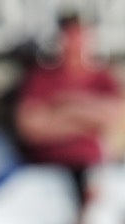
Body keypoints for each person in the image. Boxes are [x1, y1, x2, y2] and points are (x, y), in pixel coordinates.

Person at [13, 12, 122, 204]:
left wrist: (66, 107)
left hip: (92, 166)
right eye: (69, 37)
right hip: (49, 168)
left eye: (79, 37)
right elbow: (31, 127)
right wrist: (88, 121)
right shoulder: (41, 77)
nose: (75, 44)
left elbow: (115, 116)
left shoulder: (102, 77)